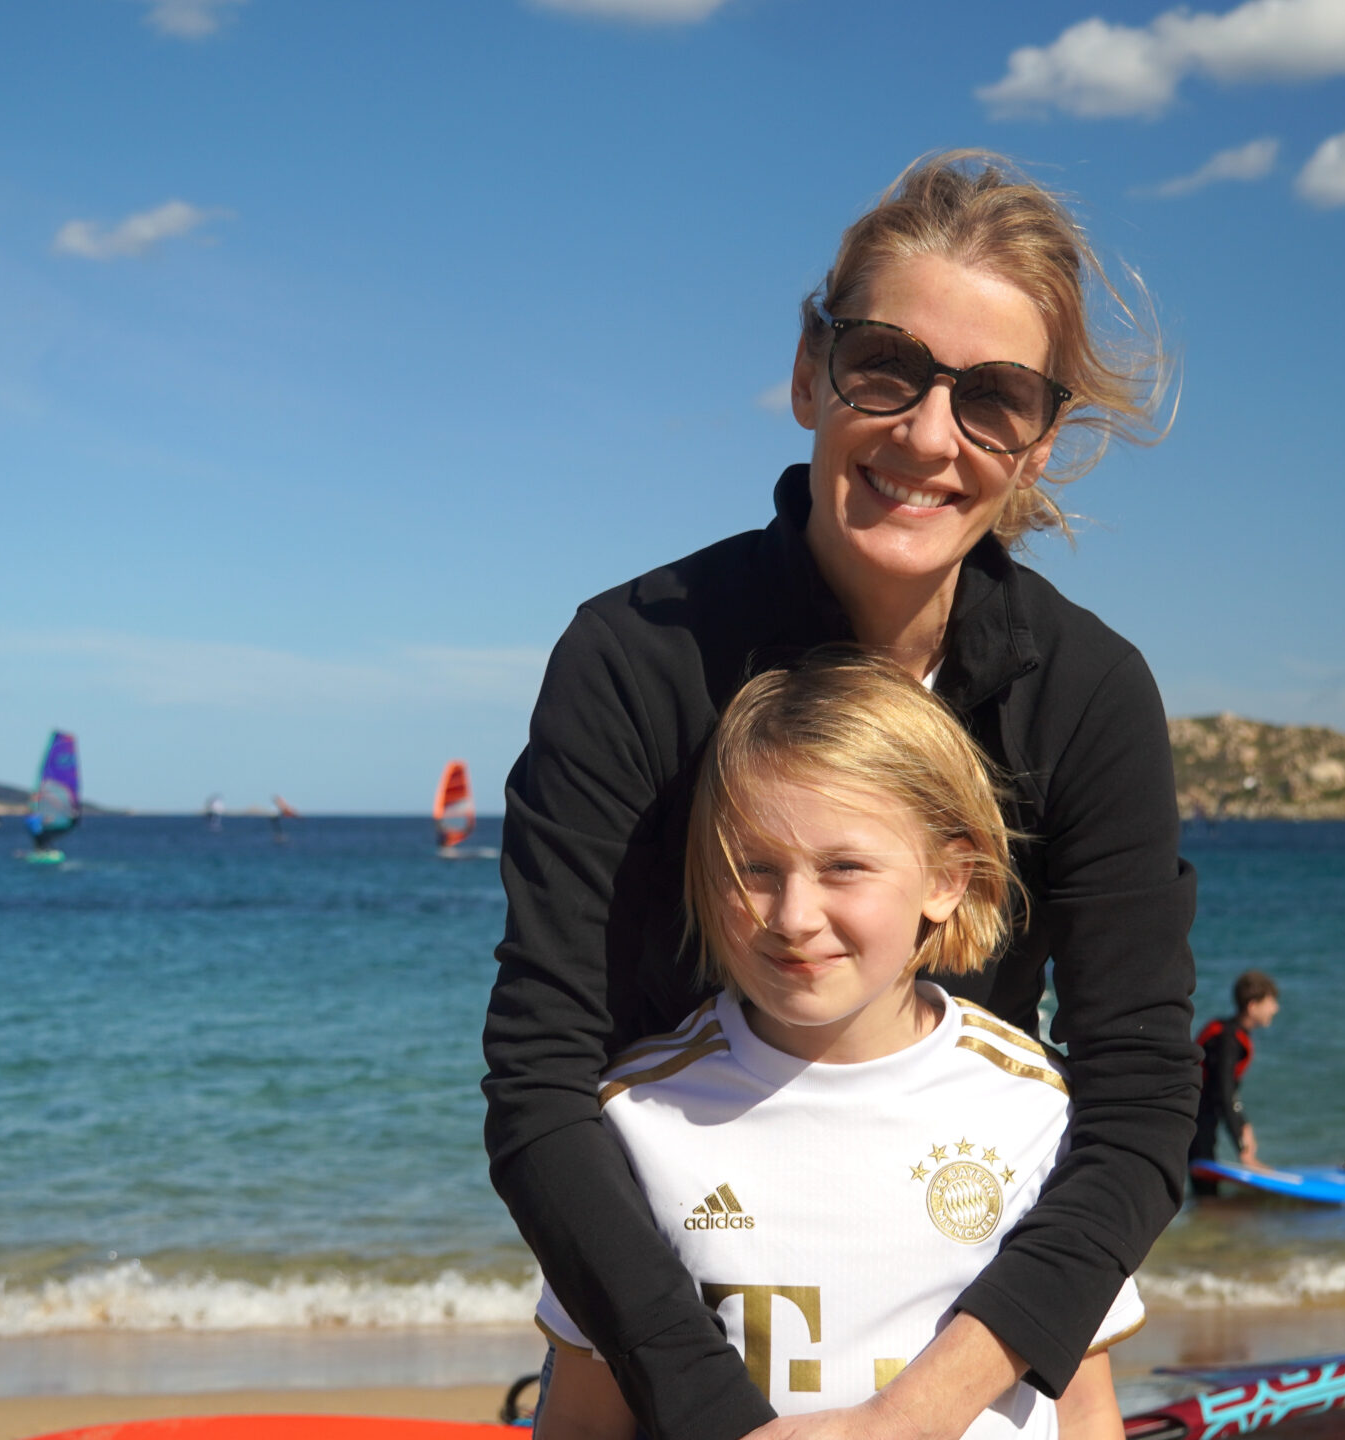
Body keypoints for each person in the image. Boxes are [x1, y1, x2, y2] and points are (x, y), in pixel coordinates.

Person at [483, 151, 1200, 1440]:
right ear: (810, 371)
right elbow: (542, 1087)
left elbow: (1136, 1108)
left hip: (954, 1345)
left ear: (1039, 441)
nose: (927, 435)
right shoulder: (633, 661)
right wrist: (726, 1422)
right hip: (674, 1348)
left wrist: (910, 1418)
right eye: (886, 366)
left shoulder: (1087, 696)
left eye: (993, 398)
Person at [531, 654, 1140, 1440]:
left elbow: (1084, 1410)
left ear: (947, 877)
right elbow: (584, 1421)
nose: (793, 916)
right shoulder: (635, 1118)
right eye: (754, 867)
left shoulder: (1036, 1109)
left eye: (844, 867)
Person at [1188, 971, 1280, 1195]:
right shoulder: (1228, 1040)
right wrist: (1243, 1148)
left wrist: (1242, 1124)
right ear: (1252, 1006)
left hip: (1202, 1112)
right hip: (1193, 1117)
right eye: (1271, 1002)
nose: (1276, 1008)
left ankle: (1208, 1212)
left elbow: (1227, 1093)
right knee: (1205, 1188)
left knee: (1206, 1191)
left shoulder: (1230, 1033)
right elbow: (1224, 1091)